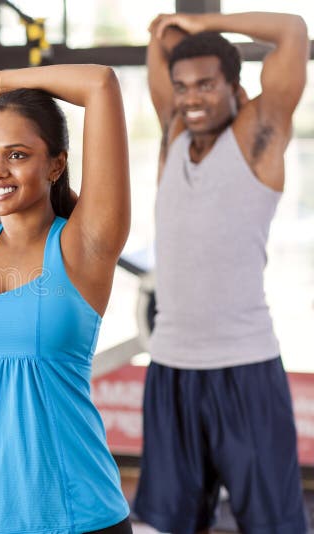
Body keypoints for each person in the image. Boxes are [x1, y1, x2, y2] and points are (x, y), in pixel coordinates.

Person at [0, 62, 133, 533]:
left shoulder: (84, 247)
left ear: (56, 163)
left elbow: (100, 83)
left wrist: (3, 83)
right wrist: (5, 115)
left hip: (69, 513)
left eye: (18, 155)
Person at [135, 12, 309, 534]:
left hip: (245, 368)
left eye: (207, 85)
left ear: (236, 86)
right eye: (183, 85)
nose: (191, 98)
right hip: (170, 368)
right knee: (174, 525)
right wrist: (174, 31)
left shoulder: (259, 134)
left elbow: (294, 30)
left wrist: (206, 21)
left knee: (272, 526)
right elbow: (161, 34)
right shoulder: (173, 133)